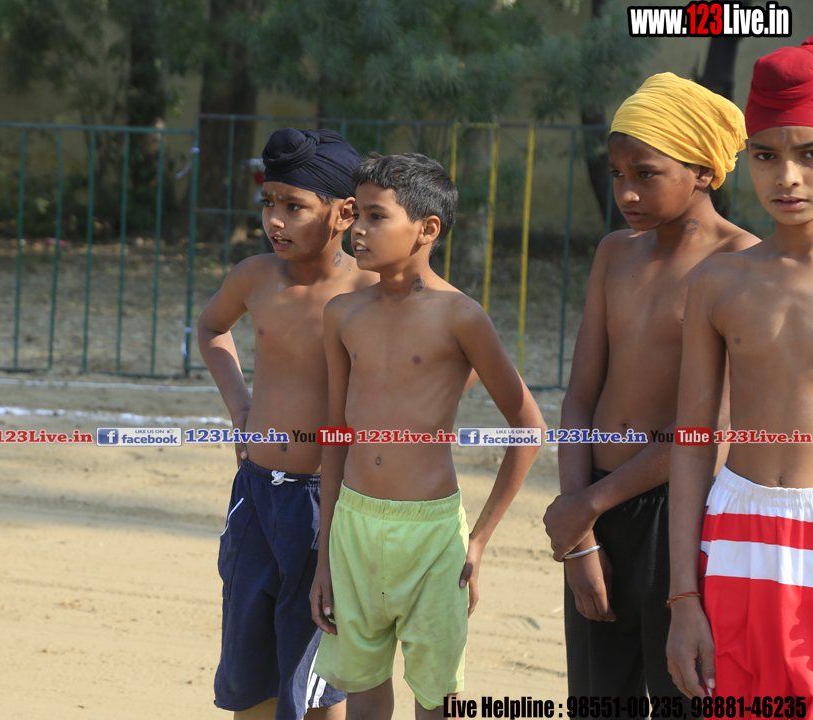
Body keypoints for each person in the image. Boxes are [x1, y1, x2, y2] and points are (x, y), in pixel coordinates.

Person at [541, 72, 757, 698]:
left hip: (683, 515)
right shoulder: (615, 253)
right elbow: (581, 396)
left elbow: (707, 428)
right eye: (617, 174)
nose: (626, 192)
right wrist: (581, 535)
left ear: (704, 172)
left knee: (683, 693)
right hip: (594, 505)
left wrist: (588, 505)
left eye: (646, 173)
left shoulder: (744, 267)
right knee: (596, 698)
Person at [310, 153, 545, 719]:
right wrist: (325, 554)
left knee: (437, 695)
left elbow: (529, 427)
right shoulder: (341, 314)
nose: (357, 230)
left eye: (376, 216)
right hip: (353, 526)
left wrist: (478, 540)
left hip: (433, 535)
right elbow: (336, 434)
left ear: (427, 228)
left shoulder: (460, 316)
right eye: (356, 214)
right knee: (363, 687)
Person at [198, 127, 378, 720]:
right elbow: (211, 327)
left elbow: (457, 363)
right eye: (268, 203)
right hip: (255, 497)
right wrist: (240, 407)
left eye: (293, 206)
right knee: (248, 671)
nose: (274, 220)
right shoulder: (254, 277)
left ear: (344, 213)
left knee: (317, 674)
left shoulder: (372, 291)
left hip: (327, 504)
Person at [667, 39, 813, 699]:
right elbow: (692, 442)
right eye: (766, 156)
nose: (788, 178)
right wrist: (683, 598)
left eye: (809, 154)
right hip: (735, 535)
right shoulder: (718, 282)